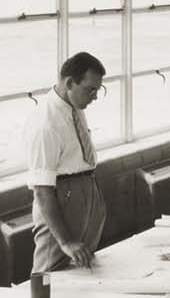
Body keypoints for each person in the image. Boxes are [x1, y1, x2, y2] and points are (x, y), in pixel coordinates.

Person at [24, 51, 109, 273]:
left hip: (86, 190)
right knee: (50, 272)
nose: (95, 97)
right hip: (62, 198)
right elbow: (42, 191)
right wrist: (64, 241)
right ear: (70, 83)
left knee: (82, 269)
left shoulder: (74, 107)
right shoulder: (45, 124)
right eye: (90, 90)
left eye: (98, 90)